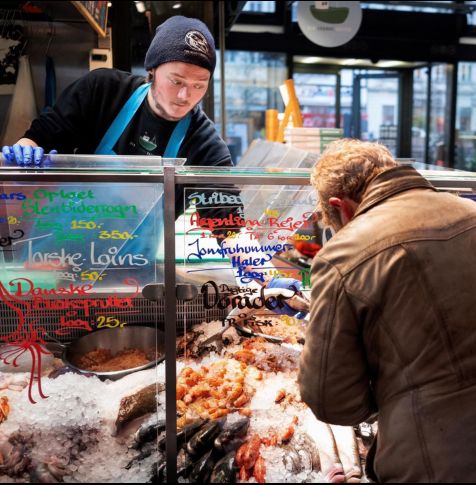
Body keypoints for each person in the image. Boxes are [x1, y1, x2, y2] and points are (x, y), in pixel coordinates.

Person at [298, 139, 476, 482]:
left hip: (437, 460)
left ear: (340, 207)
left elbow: (332, 400)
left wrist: (389, 394)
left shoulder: (343, 253)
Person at [0, 15, 303, 316]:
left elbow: (230, 227)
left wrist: (267, 276)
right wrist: (25, 152)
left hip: (128, 278)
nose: (186, 96)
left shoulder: (205, 144)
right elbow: (42, 135)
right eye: (177, 81)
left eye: (199, 85)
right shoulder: (103, 90)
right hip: (51, 262)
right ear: (153, 69)